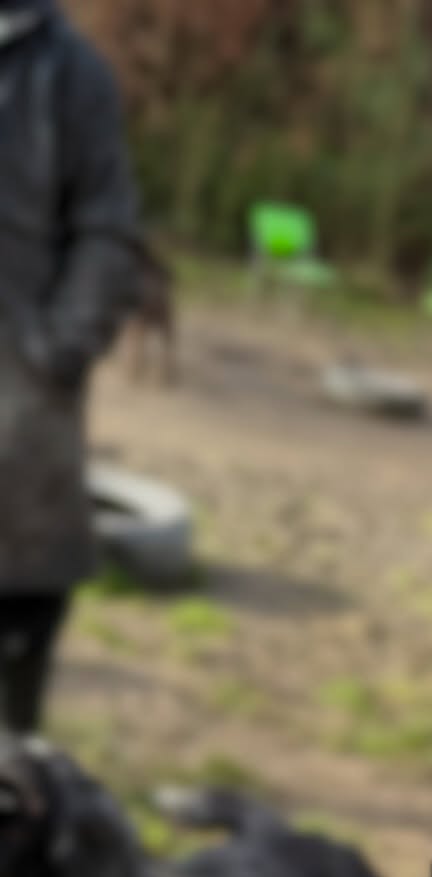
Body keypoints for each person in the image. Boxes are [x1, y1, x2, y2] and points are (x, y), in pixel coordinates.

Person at [0, 0, 138, 732]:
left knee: (23, 589)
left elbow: (106, 226)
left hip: (21, 390)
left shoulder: (70, 72)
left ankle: (19, 793)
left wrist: (57, 348)